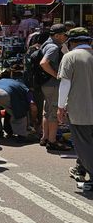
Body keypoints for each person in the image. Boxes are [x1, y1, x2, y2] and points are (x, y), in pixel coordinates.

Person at [58, 27, 93, 192]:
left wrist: (60, 107)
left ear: (71, 42)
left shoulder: (70, 57)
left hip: (80, 110)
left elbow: (65, 84)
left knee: (83, 144)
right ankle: (80, 168)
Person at [39, 23, 68, 151]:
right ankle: (52, 141)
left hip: (45, 84)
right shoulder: (53, 47)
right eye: (63, 34)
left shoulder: (46, 44)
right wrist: (57, 75)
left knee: (47, 111)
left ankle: (45, 138)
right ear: (57, 35)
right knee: (53, 113)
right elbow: (44, 63)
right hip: (52, 85)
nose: (65, 37)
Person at [0, 74, 34, 141]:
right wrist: (34, 119)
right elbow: (32, 104)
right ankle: (21, 135)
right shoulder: (26, 88)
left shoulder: (11, 81)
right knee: (19, 112)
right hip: (3, 93)